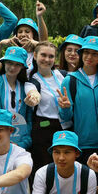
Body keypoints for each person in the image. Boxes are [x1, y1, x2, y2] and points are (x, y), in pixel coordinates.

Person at [57, 36, 98, 194]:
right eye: (86, 52)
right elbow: (66, 118)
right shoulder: (71, 80)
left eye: (95, 54)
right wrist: (65, 108)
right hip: (82, 142)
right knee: (86, 185)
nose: (89, 57)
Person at [0, 46, 34, 150]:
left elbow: (28, 119)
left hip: (19, 140)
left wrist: (23, 143)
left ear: (22, 67)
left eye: (17, 64)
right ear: (4, 63)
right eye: (9, 63)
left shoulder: (24, 86)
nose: (12, 67)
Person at [29, 42, 67, 170]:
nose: (47, 59)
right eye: (43, 55)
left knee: (63, 168)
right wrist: (32, 98)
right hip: (43, 128)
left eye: (51, 56)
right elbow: (31, 93)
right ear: (35, 55)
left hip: (65, 127)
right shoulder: (32, 79)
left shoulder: (62, 75)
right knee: (43, 168)